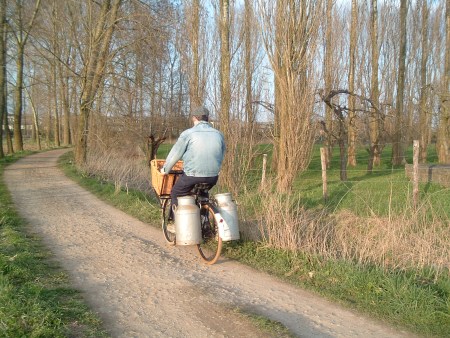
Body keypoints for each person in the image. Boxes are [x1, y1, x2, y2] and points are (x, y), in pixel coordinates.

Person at [160, 106, 226, 219]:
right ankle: (204, 224)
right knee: (203, 194)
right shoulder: (219, 134)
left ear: (194, 118)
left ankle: (175, 222)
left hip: (192, 176)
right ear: (207, 118)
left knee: (176, 192)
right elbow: (222, 154)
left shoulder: (188, 134)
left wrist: (165, 169)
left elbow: (175, 154)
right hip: (212, 177)